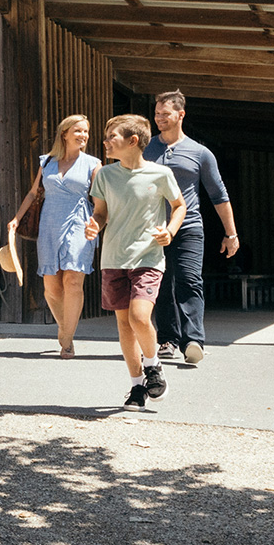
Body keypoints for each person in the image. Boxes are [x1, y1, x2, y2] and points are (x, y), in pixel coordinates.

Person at [86, 115, 186, 411]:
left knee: (139, 317)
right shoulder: (104, 175)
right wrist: (94, 225)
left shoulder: (160, 174)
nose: (105, 142)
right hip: (113, 258)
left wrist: (169, 230)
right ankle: (136, 388)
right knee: (124, 325)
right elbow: (101, 212)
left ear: (132, 141)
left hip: (148, 257)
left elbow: (179, 206)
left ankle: (153, 365)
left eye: (111, 136)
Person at [144, 91, 236, 364]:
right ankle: (167, 339)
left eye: (165, 114)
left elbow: (218, 194)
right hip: (154, 228)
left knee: (188, 280)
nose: (159, 118)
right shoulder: (146, 148)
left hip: (189, 226)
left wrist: (231, 233)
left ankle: (193, 340)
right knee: (160, 283)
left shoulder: (200, 153)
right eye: (157, 114)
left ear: (181, 115)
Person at [9, 114, 101, 358]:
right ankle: (64, 326)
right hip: (49, 223)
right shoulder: (47, 161)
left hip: (80, 221)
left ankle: (67, 339)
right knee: (51, 285)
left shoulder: (93, 163)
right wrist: (17, 218)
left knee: (72, 280)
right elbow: (32, 193)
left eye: (86, 132)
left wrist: (98, 224)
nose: (83, 136)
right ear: (65, 133)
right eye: (78, 131)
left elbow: (100, 201)